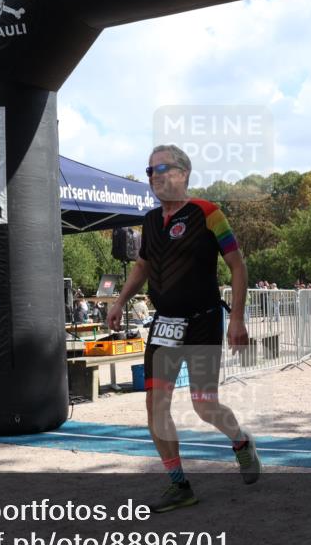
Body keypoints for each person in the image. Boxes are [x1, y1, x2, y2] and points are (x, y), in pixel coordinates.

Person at [107, 144, 260, 514]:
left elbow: (237, 266)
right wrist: (120, 300)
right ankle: (179, 485)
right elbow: (142, 266)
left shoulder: (208, 213)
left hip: (203, 320)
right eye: (149, 171)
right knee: (155, 404)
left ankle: (240, 441)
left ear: (183, 172)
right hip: (164, 324)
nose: (154, 176)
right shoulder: (149, 221)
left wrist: (237, 318)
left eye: (161, 168)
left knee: (204, 405)